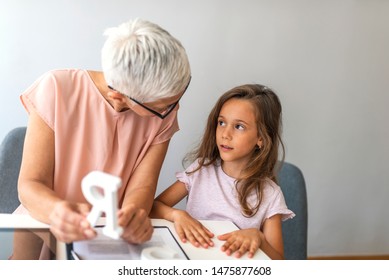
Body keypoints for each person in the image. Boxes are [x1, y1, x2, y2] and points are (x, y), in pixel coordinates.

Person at [11, 18, 191, 259]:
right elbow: (30, 185)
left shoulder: (163, 115)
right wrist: (57, 211)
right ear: (118, 94)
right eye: (165, 106)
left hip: (108, 238)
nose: (174, 109)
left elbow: (142, 186)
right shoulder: (56, 88)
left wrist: (134, 215)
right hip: (42, 225)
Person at [150, 84, 294, 259]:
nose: (225, 134)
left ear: (261, 138)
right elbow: (152, 208)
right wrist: (177, 215)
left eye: (239, 126)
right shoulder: (200, 170)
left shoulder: (271, 195)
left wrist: (259, 238)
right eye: (221, 122)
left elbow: (279, 262)